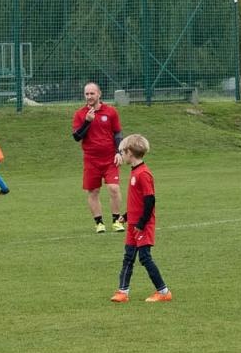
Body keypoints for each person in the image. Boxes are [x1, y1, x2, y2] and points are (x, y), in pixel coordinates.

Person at [110, 134, 172, 303]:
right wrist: (126, 216)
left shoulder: (144, 173)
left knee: (144, 258)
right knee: (128, 257)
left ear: (130, 152)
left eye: (122, 151)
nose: (121, 154)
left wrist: (142, 223)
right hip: (133, 224)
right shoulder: (135, 172)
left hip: (142, 225)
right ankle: (123, 292)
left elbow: (150, 200)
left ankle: (163, 291)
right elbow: (136, 202)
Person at [71, 82, 122, 233]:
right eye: (86, 94)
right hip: (91, 159)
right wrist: (87, 121)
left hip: (110, 158)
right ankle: (99, 223)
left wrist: (119, 152)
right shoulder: (80, 114)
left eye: (92, 93)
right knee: (93, 191)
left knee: (113, 188)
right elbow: (76, 137)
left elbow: (117, 133)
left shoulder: (111, 112)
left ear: (99, 94)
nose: (89, 97)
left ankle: (116, 221)